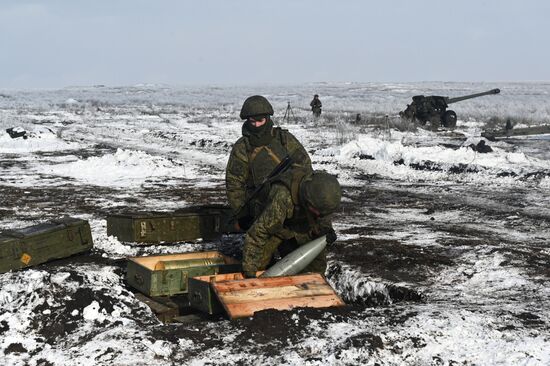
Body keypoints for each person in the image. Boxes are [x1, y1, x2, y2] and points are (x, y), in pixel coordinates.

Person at [226, 95, 312, 231]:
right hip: (261, 209)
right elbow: (234, 184)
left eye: (260, 120)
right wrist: (242, 214)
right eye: (252, 121)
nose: (256, 125)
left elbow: (305, 167)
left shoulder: (285, 139)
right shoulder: (242, 147)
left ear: (268, 118)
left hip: (291, 203)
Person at [241, 168, 341, 278]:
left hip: (296, 224)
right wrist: (250, 272)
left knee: (316, 268)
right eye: (317, 212)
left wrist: (326, 231)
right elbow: (258, 233)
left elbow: (323, 219)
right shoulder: (283, 197)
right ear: (307, 200)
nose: (319, 215)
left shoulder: (321, 198)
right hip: (274, 226)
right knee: (259, 264)